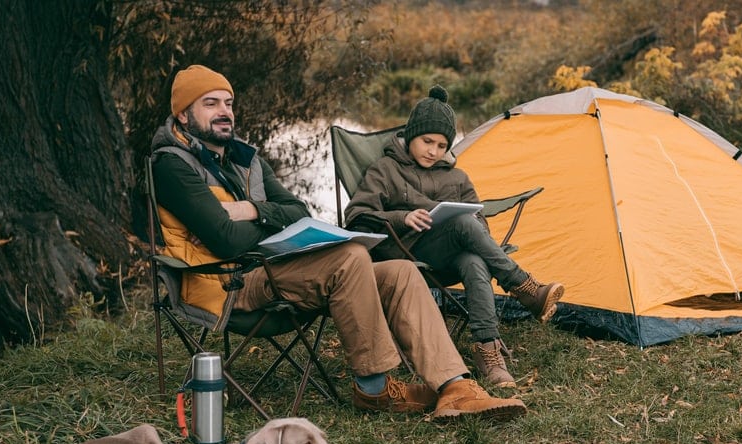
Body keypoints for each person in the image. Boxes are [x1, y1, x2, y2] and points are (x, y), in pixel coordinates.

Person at [150, 65, 526, 421]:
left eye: (228, 103)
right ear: (183, 115)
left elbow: (298, 210)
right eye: (210, 103)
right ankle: (374, 387)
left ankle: (454, 388)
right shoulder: (171, 164)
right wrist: (261, 218)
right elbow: (226, 241)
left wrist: (249, 210)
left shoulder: (245, 159)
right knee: (349, 255)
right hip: (226, 283)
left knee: (401, 271)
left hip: (277, 269)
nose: (224, 112)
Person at [343, 85, 564, 388]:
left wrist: (474, 224)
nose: (433, 151)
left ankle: (488, 349)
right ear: (411, 135)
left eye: (442, 144)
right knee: (463, 224)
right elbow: (357, 215)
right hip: (405, 253)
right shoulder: (386, 169)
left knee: (474, 259)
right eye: (427, 141)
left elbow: (479, 222)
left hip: (446, 253)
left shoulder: (458, 177)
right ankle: (523, 286)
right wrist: (402, 216)